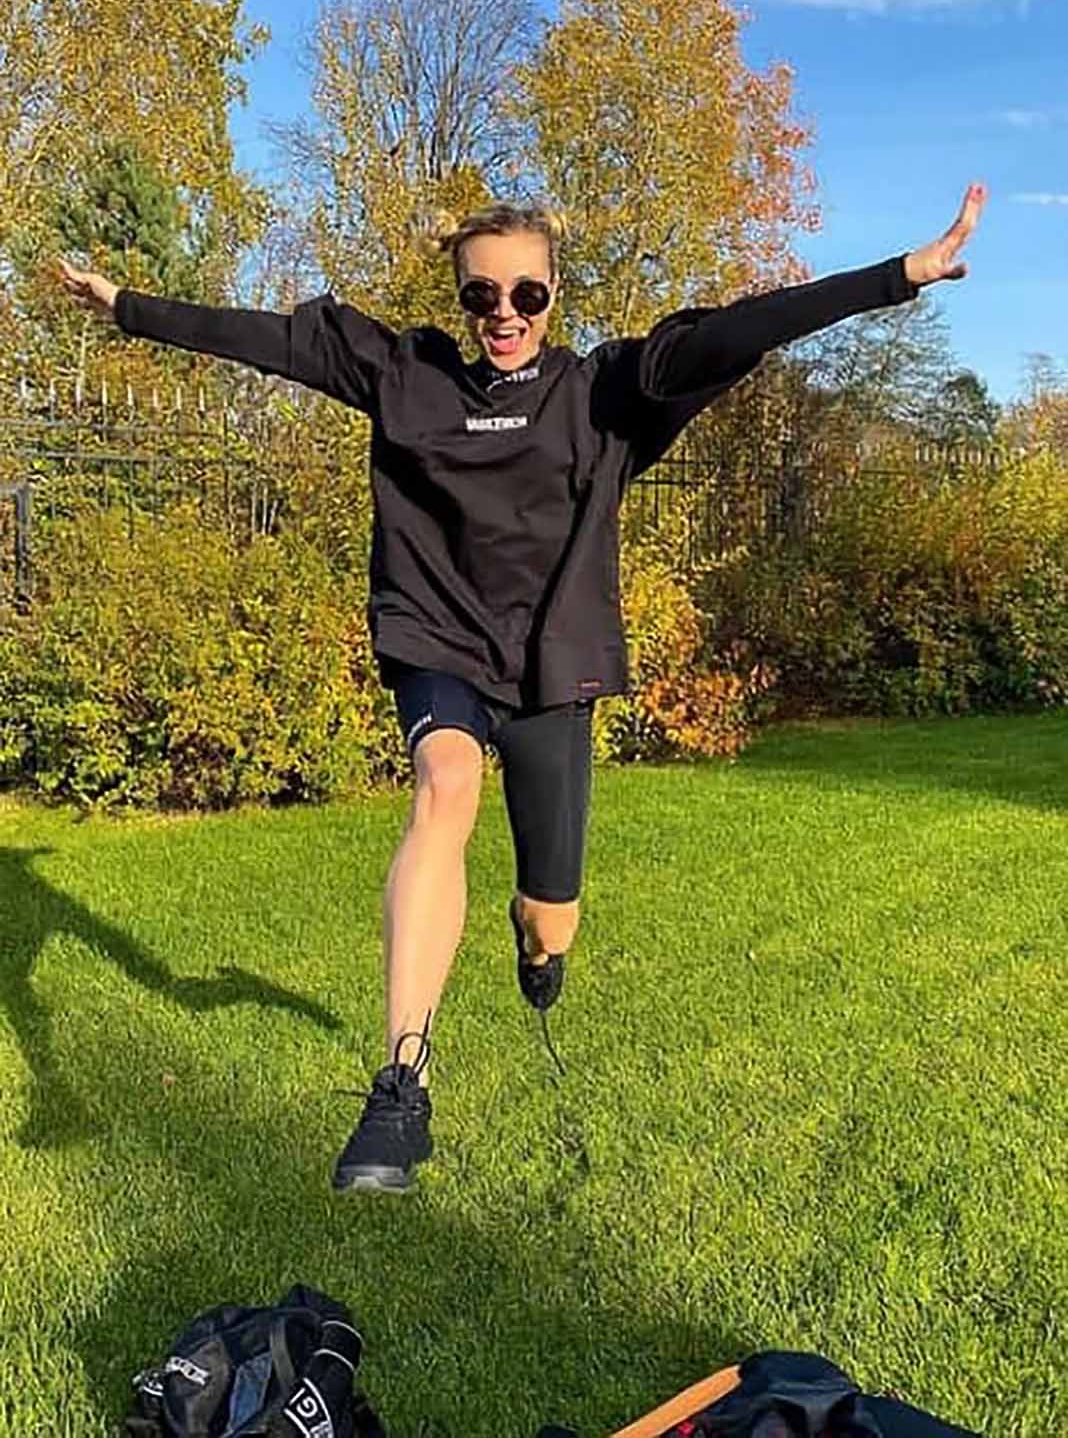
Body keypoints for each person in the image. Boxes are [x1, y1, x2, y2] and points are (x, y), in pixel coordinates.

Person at [59, 183, 986, 1194]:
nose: (505, 314)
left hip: (551, 667)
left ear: (553, 295)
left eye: (527, 294)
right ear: (461, 297)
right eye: (482, 295)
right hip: (439, 641)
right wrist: (128, 306)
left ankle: (537, 943)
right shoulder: (406, 377)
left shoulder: (602, 393)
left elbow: (743, 329)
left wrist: (899, 277)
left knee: (553, 918)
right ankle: (402, 1083)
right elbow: (268, 341)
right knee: (444, 786)